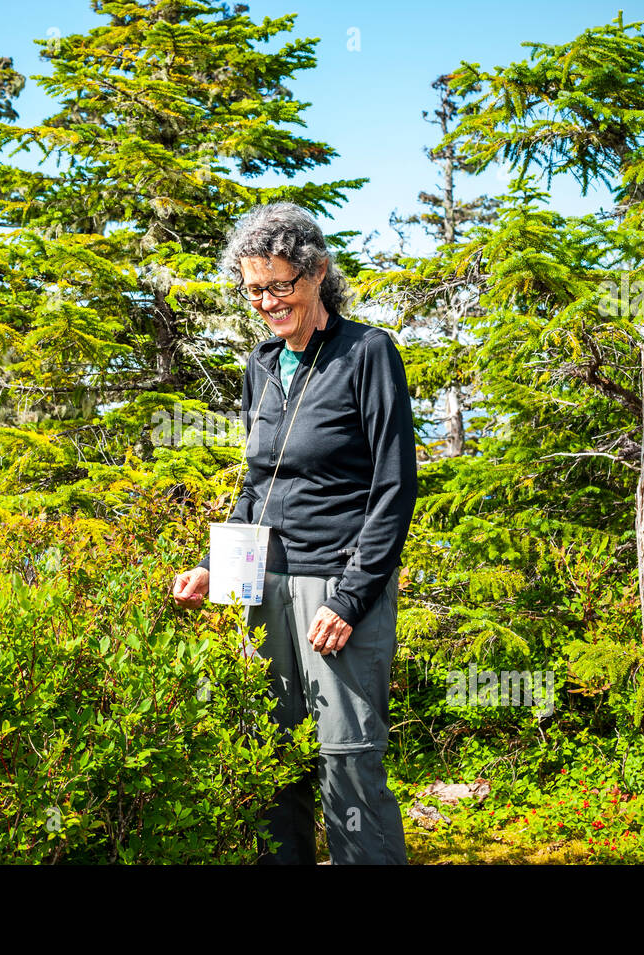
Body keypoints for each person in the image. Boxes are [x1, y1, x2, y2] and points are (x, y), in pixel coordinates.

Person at [171, 202, 417, 865]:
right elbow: (257, 486)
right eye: (255, 288)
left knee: (348, 760)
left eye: (280, 284)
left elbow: (395, 487)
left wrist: (352, 596)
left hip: (338, 592)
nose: (267, 300)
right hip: (264, 588)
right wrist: (213, 568)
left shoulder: (367, 353)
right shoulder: (260, 364)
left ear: (316, 273)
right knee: (274, 758)